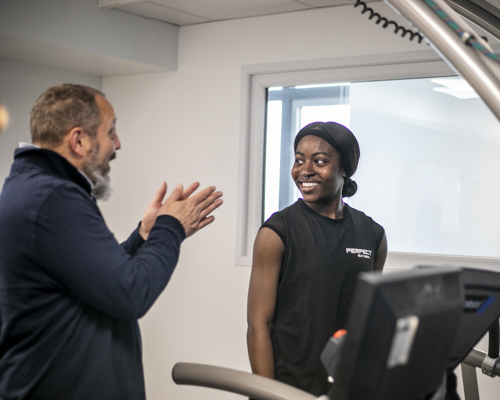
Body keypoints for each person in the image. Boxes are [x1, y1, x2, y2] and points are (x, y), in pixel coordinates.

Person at [0, 84, 223, 400]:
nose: (117, 144)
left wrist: (144, 236)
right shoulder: (53, 198)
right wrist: (171, 226)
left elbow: (92, 283)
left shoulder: (34, 189)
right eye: (111, 132)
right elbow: (131, 293)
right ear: (79, 140)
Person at [247, 121, 387, 396]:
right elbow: (257, 325)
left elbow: (369, 321)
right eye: (299, 160)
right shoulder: (277, 232)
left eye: (319, 161)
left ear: (344, 168)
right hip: (290, 387)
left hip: (347, 386)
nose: (305, 171)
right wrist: (270, 394)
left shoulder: (372, 234)